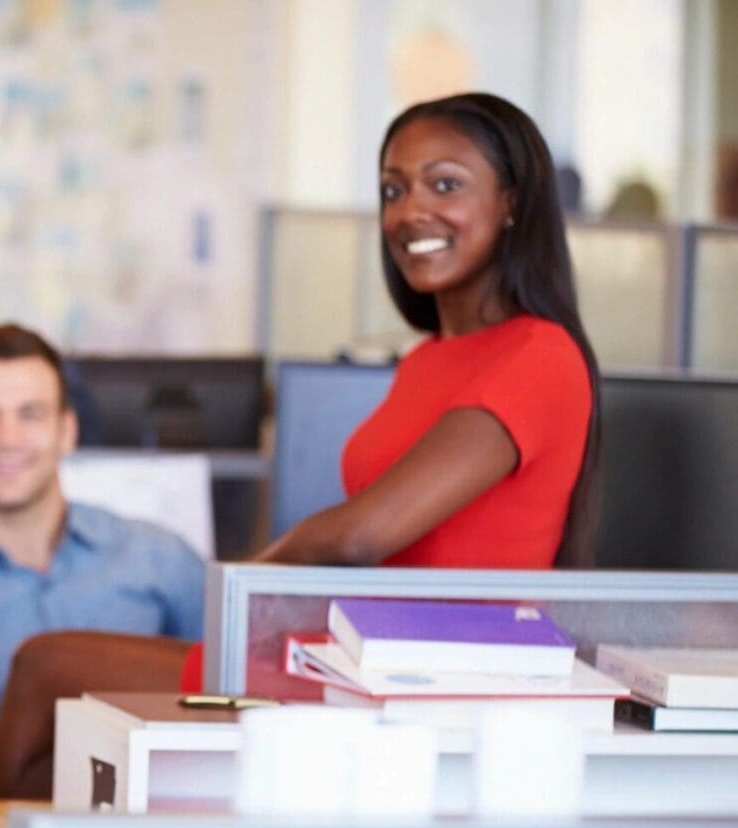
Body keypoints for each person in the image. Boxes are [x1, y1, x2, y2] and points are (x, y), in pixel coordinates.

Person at [257, 92, 600, 569]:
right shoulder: (425, 358)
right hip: (369, 634)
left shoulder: (540, 357)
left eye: (444, 185)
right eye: (394, 191)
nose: (409, 212)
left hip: (451, 643)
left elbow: (360, 536)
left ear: (511, 203)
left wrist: (244, 581)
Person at [0, 324, 207, 797]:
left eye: (31, 414)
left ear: (67, 431)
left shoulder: (161, 560)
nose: (8, 438)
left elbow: (243, 697)